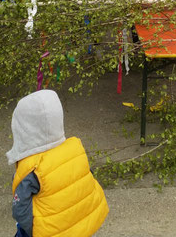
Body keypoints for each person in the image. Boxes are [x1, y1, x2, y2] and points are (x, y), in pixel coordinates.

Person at [6, 90, 108, 237]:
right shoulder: (75, 150)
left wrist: (35, 231)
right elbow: (88, 185)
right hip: (83, 228)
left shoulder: (32, 169)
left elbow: (20, 211)